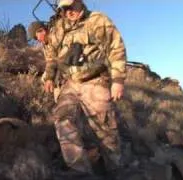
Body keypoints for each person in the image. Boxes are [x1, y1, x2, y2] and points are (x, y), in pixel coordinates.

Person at [31, 0, 127, 174]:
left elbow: (116, 48)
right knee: (62, 118)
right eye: (64, 8)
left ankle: (116, 168)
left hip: (94, 81)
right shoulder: (59, 27)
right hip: (70, 84)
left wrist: (118, 80)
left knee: (105, 128)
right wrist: (50, 77)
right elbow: (51, 55)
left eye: (71, 6)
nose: (69, 11)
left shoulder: (98, 20)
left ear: (80, 3)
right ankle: (79, 170)